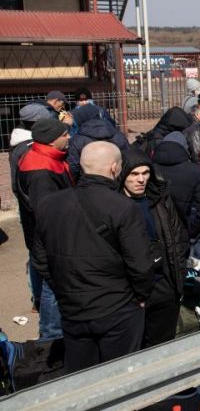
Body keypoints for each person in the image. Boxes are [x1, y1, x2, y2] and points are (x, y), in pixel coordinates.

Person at [34, 142, 153, 373]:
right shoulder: (124, 207)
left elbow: (39, 258)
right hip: (117, 308)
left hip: (73, 308)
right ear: (114, 168)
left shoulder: (48, 204)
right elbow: (140, 263)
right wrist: (140, 295)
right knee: (119, 377)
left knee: (82, 378)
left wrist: (63, 289)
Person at [120, 148, 188, 348]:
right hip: (131, 291)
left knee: (162, 345)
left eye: (145, 173)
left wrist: (178, 279)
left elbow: (178, 237)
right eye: (134, 174)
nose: (140, 179)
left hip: (164, 284)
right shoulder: (115, 204)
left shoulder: (160, 199)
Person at [14, 118, 73, 340]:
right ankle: (51, 336)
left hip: (46, 234)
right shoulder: (41, 170)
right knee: (52, 286)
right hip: (49, 237)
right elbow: (46, 210)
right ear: (51, 140)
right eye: (64, 135)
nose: (68, 137)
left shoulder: (45, 158)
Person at [152, 132, 200, 240]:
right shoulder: (195, 172)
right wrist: (189, 232)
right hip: (181, 235)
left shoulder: (148, 169)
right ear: (185, 149)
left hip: (155, 234)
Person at [66, 102, 128, 181]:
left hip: (88, 181)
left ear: (81, 119)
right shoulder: (119, 135)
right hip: (115, 179)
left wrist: (79, 182)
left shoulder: (76, 140)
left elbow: (73, 166)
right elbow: (127, 159)